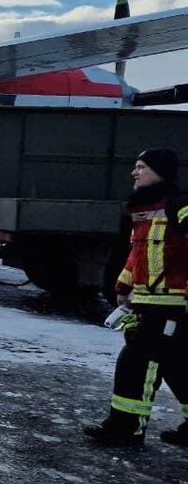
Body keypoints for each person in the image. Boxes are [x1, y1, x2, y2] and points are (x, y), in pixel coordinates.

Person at [85, 149, 188, 448]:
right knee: (178, 365)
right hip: (147, 302)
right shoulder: (144, 210)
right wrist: (122, 289)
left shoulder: (180, 207)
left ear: (161, 172)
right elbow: (138, 257)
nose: (134, 172)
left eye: (141, 167)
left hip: (171, 305)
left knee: (137, 362)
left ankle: (125, 428)